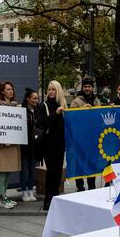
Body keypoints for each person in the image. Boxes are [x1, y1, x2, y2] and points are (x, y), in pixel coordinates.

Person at [0, 81, 21, 209]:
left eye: (12, 89)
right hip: (1, 144)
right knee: (1, 171)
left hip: (13, 143)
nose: (11, 91)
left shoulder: (17, 106)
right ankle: (1, 197)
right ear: (2, 91)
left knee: (8, 170)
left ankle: (4, 195)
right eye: (8, 89)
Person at [70, 77, 99, 191]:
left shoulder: (96, 101)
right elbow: (71, 118)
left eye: (89, 87)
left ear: (92, 88)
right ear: (82, 87)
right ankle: (80, 187)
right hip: (80, 139)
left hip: (92, 138)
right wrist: (82, 109)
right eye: (85, 87)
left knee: (92, 162)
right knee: (80, 163)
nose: (87, 89)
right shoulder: (76, 101)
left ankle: (92, 186)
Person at [43, 80, 67, 210]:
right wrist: (55, 113)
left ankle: (55, 196)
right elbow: (42, 122)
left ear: (58, 91)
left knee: (58, 172)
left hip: (60, 144)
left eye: (53, 89)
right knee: (51, 171)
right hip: (48, 144)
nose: (51, 92)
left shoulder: (63, 106)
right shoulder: (44, 105)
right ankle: (48, 199)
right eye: (49, 89)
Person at [20, 88, 45, 202]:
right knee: (24, 169)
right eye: (34, 98)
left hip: (35, 146)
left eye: (37, 98)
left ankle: (31, 191)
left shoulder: (39, 110)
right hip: (25, 145)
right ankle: (24, 192)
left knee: (32, 169)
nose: (36, 100)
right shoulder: (22, 111)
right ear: (28, 99)